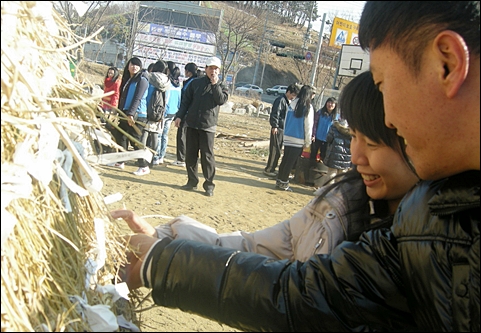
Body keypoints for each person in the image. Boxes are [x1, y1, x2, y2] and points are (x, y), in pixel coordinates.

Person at [116, 70, 428, 332]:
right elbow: (255, 249)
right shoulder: (339, 201)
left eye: (372, 143)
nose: (357, 157)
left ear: (415, 140)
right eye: (354, 137)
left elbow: (300, 301)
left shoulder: (427, 245)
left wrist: (162, 261)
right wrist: (165, 239)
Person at [173, 56, 229, 197]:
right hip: (192, 123)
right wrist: (179, 116)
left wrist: (215, 85)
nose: (213, 71)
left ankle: (209, 185)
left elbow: (220, 100)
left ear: (219, 71)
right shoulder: (195, 83)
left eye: (215, 69)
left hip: (208, 126)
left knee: (207, 156)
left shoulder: (222, 86)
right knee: (190, 155)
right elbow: (186, 101)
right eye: (210, 68)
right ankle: (192, 181)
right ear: (205, 69)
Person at [275, 84, 315, 192]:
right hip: (298, 137)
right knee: (291, 162)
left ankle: (279, 180)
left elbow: (286, 119)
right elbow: (308, 125)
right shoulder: (308, 106)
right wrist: (307, 141)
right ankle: (284, 183)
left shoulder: (292, 103)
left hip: (288, 135)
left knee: (285, 159)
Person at [113, 57, 150, 173]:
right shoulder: (129, 79)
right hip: (126, 112)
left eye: (137, 65)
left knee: (135, 140)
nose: (134, 67)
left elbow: (137, 98)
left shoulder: (142, 80)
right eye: (132, 64)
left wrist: (131, 114)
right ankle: (121, 161)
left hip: (137, 114)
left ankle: (144, 166)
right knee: (121, 137)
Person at [263, 83, 300, 177]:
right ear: (288, 92)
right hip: (278, 128)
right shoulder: (280, 100)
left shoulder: (287, 102)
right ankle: (269, 168)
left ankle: (272, 167)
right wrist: (274, 126)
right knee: (275, 149)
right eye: (293, 95)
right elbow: (275, 114)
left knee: (278, 150)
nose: (293, 97)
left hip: (283, 128)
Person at [142, 60, 170, 170]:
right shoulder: (168, 82)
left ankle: (142, 158)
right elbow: (166, 99)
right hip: (160, 113)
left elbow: (146, 94)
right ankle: (152, 158)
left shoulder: (149, 77)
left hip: (148, 109)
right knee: (155, 135)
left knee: (144, 134)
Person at [153, 65, 182, 165]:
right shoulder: (178, 85)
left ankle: (156, 156)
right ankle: (162, 156)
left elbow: (165, 99)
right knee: (165, 135)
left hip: (165, 112)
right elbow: (179, 101)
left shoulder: (167, 84)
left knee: (159, 134)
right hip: (173, 113)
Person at [171, 62, 198, 167]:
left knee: (182, 135)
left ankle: (181, 158)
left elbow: (186, 99)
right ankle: (183, 157)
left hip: (186, 112)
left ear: (188, 71)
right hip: (190, 112)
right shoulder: (194, 81)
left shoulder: (191, 83)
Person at [317, 118, 352, 187]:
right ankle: (337, 194)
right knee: (341, 176)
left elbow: (329, 139)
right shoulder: (352, 129)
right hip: (346, 157)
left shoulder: (334, 127)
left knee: (331, 174)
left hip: (334, 154)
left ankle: (326, 191)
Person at [310, 97, 338, 165]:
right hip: (317, 138)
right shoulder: (320, 113)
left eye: (332, 103)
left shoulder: (336, 117)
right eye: (329, 102)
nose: (330, 104)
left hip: (328, 140)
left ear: (335, 105)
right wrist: (313, 135)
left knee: (324, 156)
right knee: (313, 155)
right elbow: (314, 124)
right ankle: (310, 169)